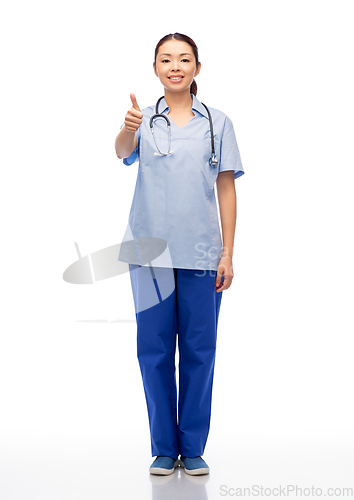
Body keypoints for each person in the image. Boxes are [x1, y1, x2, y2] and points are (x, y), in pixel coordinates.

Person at [114, 33, 244, 476]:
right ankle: (164, 448)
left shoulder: (217, 123)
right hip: (147, 252)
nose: (175, 66)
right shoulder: (144, 119)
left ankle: (193, 447)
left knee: (198, 350)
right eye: (166, 59)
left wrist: (227, 252)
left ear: (197, 68)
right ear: (155, 69)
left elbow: (226, 187)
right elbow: (122, 153)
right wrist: (127, 128)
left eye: (184, 59)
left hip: (202, 252)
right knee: (152, 351)